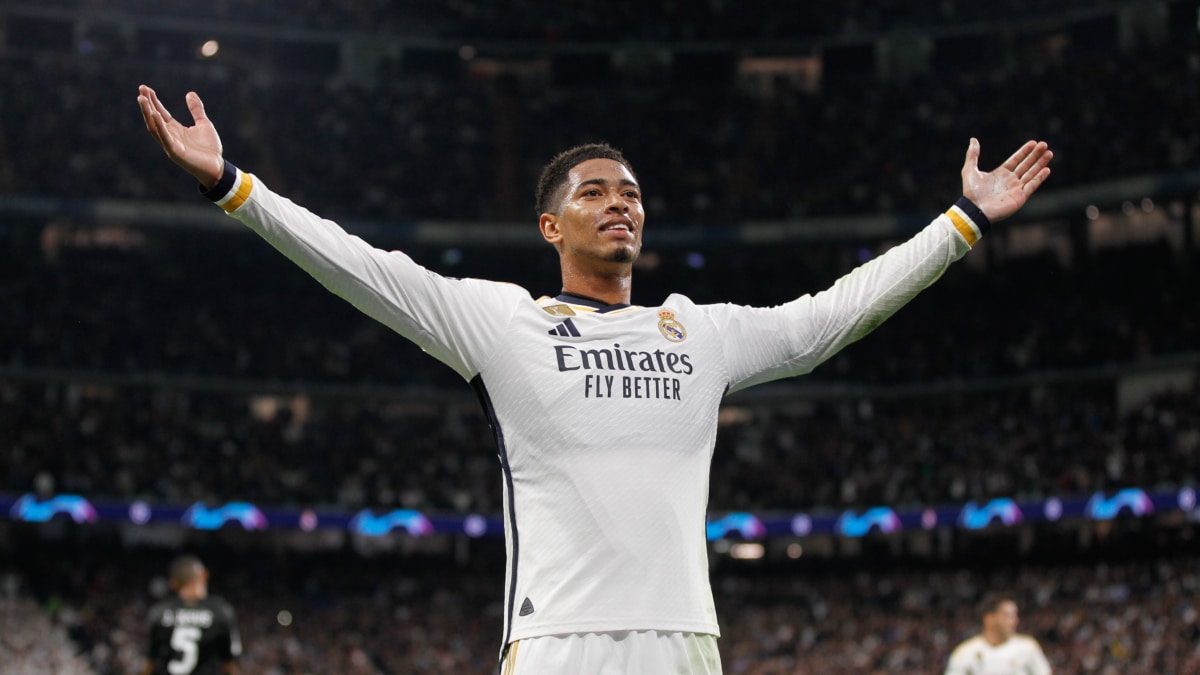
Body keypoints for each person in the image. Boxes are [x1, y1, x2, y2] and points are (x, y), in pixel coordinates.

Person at [137, 85, 1052, 674]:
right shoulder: (502, 321)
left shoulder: (698, 332)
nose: (622, 202)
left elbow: (833, 314)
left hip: (685, 638)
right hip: (557, 643)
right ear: (549, 226)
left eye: (633, 194)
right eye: (596, 191)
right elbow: (362, 267)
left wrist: (962, 221)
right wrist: (232, 185)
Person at [144, 555, 241, 675]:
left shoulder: (159, 612)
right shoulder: (220, 611)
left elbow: (149, 663)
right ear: (204, 575)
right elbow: (229, 665)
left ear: (173, 583)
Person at [945, 593, 1052, 675]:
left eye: (1015, 616)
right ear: (989, 618)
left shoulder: (1028, 648)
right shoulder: (965, 653)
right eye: (1007, 616)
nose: (1014, 620)